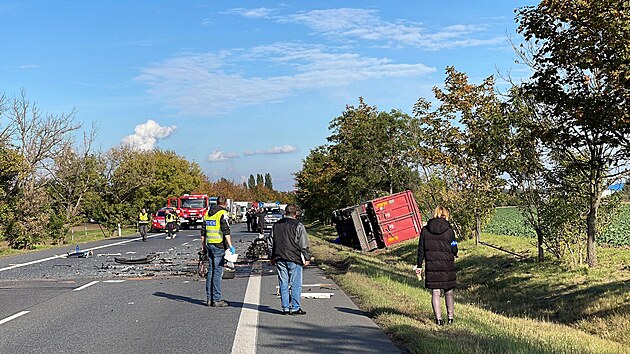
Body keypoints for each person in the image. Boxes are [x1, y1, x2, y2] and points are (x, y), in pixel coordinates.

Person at [415, 206, 458, 326]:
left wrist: (419, 265)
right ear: (446, 215)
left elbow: (421, 250)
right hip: (447, 265)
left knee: (435, 292)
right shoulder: (450, 230)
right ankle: (450, 318)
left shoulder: (425, 230)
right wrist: (455, 252)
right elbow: (454, 246)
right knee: (449, 291)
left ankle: (438, 319)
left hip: (432, 265)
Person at [269, 204, 310, 315]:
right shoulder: (298, 225)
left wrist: (271, 257)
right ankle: (295, 308)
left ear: (284, 212)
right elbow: (303, 243)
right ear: (295, 213)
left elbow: (270, 242)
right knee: (295, 284)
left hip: (279, 257)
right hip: (294, 257)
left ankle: (285, 308)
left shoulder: (276, 225)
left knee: (283, 283)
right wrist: (306, 257)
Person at [201, 196, 235, 307]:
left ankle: (209, 299)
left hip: (209, 244)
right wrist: (230, 246)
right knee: (218, 272)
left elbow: (203, 231)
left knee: (211, 271)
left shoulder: (208, 213)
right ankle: (216, 299)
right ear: (225, 203)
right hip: (219, 245)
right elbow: (226, 231)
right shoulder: (222, 213)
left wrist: (203, 245)